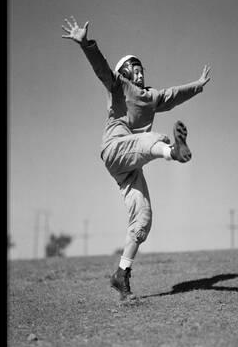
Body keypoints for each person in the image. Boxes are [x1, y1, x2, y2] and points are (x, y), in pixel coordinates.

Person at [62, 16, 211, 300]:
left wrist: (199, 85)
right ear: (126, 72)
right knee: (152, 140)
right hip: (116, 147)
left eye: (141, 67)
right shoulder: (118, 86)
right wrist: (86, 44)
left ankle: (121, 274)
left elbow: (176, 94)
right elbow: (102, 69)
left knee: (142, 218)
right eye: (135, 68)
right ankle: (173, 152)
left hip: (131, 163)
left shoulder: (152, 96)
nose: (140, 71)